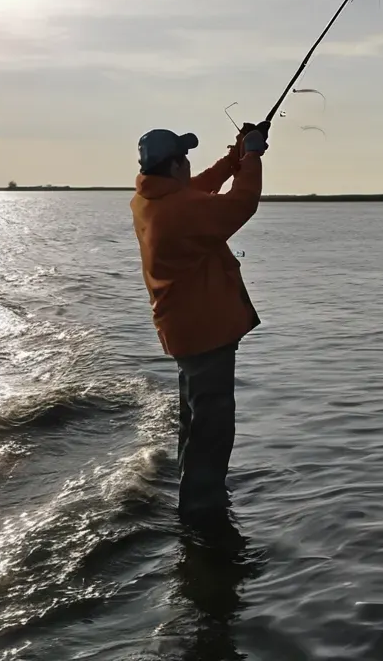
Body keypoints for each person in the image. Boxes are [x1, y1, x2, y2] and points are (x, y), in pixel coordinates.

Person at [130, 121, 269, 527]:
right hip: (205, 333)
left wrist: (235, 156)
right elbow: (240, 205)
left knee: (195, 421)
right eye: (184, 159)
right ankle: (203, 517)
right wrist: (254, 158)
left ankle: (194, 498)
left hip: (184, 331)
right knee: (212, 427)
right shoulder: (181, 211)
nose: (189, 165)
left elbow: (199, 187)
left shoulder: (147, 199)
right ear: (173, 167)